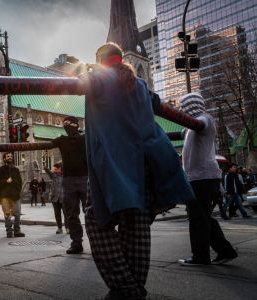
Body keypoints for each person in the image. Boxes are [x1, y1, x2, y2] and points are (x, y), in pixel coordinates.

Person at [82, 42, 195, 300]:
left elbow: (81, 83)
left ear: (100, 60)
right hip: (144, 164)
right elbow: (157, 104)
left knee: (97, 220)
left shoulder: (98, 77)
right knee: (137, 226)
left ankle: (125, 288)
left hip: (113, 163)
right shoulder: (141, 85)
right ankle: (135, 290)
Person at [178, 92, 238, 266]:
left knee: (197, 218)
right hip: (200, 178)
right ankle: (225, 251)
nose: (182, 110)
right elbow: (182, 131)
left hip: (202, 178)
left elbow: (201, 124)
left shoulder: (205, 120)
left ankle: (200, 257)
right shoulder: (191, 127)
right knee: (203, 217)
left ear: (191, 105)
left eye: (184, 107)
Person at [51, 116, 88, 254]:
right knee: (73, 214)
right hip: (75, 180)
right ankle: (77, 243)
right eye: (65, 124)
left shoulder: (80, 138)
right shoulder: (67, 139)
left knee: (85, 213)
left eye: (67, 124)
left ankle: (82, 242)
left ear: (76, 125)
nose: (66, 126)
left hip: (80, 179)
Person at [0, 152, 25, 238]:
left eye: (11, 156)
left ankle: (17, 230)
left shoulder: (16, 170)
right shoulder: (0, 170)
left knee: (17, 213)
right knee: (7, 214)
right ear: (4, 159)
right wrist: (5, 181)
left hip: (15, 196)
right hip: (5, 196)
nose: (10, 157)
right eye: (8, 156)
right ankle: (9, 231)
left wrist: (18, 191)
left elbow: (20, 182)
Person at [44, 163, 68, 234]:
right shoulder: (54, 176)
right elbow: (49, 172)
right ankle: (59, 228)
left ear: (59, 169)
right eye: (53, 169)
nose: (53, 170)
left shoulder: (65, 176)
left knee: (66, 214)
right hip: (55, 198)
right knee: (57, 214)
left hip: (63, 198)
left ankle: (67, 227)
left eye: (55, 169)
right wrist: (45, 167)